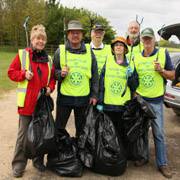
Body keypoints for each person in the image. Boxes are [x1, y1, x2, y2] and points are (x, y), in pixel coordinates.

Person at [8, 24, 56, 177]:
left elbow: (53, 78)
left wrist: (50, 88)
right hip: (27, 106)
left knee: (41, 136)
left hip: (42, 106)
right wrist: (23, 74)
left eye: (42, 39)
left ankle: (38, 160)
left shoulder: (48, 59)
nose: (40, 41)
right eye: (37, 38)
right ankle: (19, 164)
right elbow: (11, 72)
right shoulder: (23, 55)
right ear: (32, 39)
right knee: (23, 137)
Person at [134, 27, 175, 178]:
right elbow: (133, 78)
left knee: (158, 134)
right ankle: (143, 157)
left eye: (149, 38)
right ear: (141, 40)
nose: (147, 41)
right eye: (144, 39)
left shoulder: (163, 54)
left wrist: (162, 71)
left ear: (154, 40)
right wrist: (134, 93)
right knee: (142, 132)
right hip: (141, 101)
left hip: (156, 102)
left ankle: (162, 163)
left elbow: (172, 76)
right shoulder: (136, 57)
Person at [54, 20, 99, 137]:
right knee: (59, 128)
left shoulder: (89, 52)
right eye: (72, 32)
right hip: (64, 98)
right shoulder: (60, 51)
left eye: (78, 33)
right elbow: (54, 73)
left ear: (82, 35)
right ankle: (58, 154)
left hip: (83, 98)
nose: (75, 35)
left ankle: (81, 154)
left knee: (82, 130)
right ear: (68, 34)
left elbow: (94, 74)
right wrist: (60, 74)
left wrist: (94, 95)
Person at [97, 36, 138, 137]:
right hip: (108, 107)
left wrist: (131, 76)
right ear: (113, 49)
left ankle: (122, 153)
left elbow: (134, 86)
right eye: (116, 45)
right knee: (109, 135)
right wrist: (100, 103)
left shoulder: (131, 64)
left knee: (122, 135)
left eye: (121, 45)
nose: (118, 47)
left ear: (125, 49)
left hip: (123, 107)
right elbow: (101, 84)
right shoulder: (108, 62)